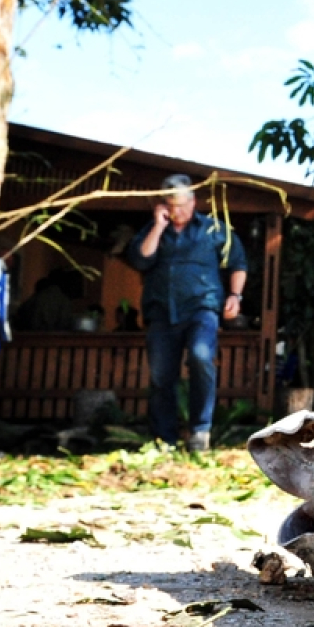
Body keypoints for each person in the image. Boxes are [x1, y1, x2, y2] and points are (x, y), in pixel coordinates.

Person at [126, 174, 247, 451]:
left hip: (201, 309)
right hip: (161, 312)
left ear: (192, 202)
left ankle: (200, 432)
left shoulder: (214, 229)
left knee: (201, 356)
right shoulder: (153, 230)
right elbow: (141, 260)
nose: (176, 212)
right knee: (160, 376)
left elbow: (238, 263)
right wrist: (158, 226)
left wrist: (235, 296)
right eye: (171, 206)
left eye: (181, 205)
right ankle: (164, 439)